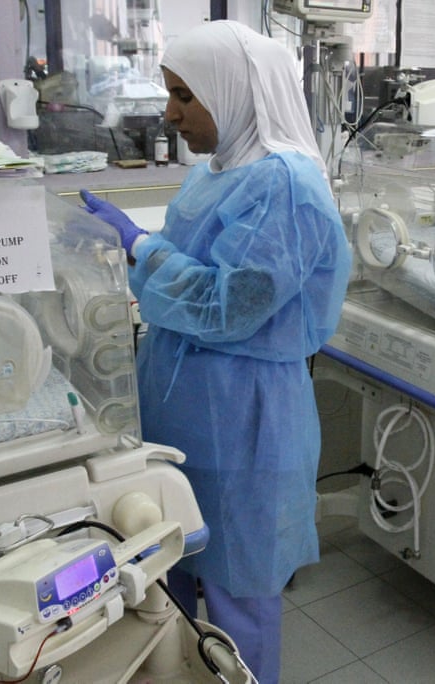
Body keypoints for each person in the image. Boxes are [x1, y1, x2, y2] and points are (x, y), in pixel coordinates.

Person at [79, 20, 352, 683]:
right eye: (169, 94)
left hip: (244, 415)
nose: (170, 114)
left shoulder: (283, 184)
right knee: (172, 561)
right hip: (186, 404)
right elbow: (200, 271)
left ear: (232, 95)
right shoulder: (216, 173)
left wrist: (140, 247)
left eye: (183, 96)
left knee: (237, 587)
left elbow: (229, 306)